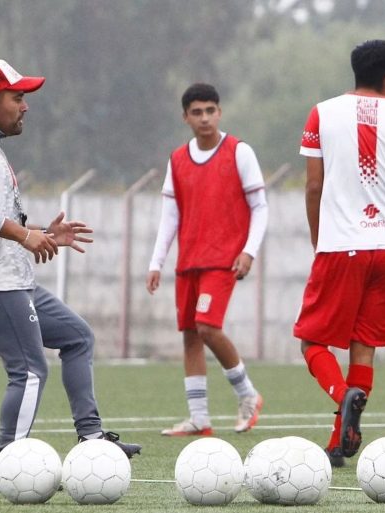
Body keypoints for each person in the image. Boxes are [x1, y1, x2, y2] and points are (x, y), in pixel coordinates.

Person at [0, 59, 141, 492]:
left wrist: (43, 233)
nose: (25, 106)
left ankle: (91, 440)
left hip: (11, 279)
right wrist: (25, 234)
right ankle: (6, 467)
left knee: (77, 336)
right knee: (29, 371)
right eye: (17, 97)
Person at [294, 40, 385, 467]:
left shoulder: (321, 113)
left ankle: (341, 395)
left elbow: (313, 186)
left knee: (313, 342)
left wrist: (320, 238)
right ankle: (340, 442)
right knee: (364, 347)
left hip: (340, 245)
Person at [146, 83, 268, 436]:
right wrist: (157, 262)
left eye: (210, 110)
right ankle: (199, 417)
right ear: (185, 117)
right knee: (190, 335)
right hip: (189, 262)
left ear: (220, 112)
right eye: (197, 112)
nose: (205, 118)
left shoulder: (239, 152)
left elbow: (260, 207)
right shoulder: (178, 159)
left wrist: (249, 251)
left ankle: (248, 394)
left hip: (223, 261)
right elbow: (170, 216)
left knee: (207, 326)